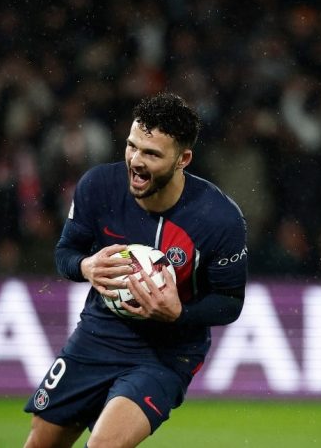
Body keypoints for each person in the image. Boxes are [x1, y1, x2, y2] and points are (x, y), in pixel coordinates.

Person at [24, 93, 247, 447]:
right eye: (132, 146)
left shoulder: (219, 219)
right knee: (40, 444)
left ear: (183, 159)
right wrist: (85, 266)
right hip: (98, 334)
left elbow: (230, 301)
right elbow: (66, 252)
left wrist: (180, 313)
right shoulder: (98, 187)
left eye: (152, 154)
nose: (136, 161)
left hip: (166, 353)